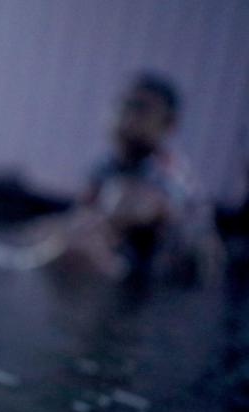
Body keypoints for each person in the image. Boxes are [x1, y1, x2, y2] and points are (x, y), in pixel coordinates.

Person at [39, 73, 221, 281]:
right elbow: (83, 214)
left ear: (169, 123)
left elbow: (138, 210)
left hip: (171, 281)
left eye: (140, 110)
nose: (125, 118)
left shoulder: (171, 174)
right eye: (122, 106)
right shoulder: (104, 168)